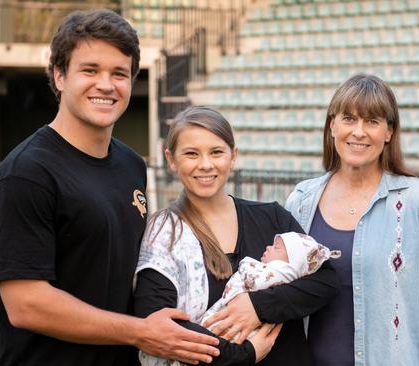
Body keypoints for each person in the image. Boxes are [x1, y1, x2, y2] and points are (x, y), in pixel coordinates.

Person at [0, 9, 222, 366]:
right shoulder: (26, 174)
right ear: (59, 75)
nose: (106, 85)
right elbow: (27, 305)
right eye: (90, 70)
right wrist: (140, 332)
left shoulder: (130, 164)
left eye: (119, 74)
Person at [133, 106, 339, 366]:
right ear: (171, 159)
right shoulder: (165, 234)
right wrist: (246, 354)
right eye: (191, 154)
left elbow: (325, 281)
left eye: (216, 152)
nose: (205, 164)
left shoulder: (272, 217)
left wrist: (256, 307)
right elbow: (159, 323)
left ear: (234, 156)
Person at [285, 73, 419, 366]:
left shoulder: (418, 199)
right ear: (332, 126)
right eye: (349, 119)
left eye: (372, 121)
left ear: (389, 132)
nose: (359, 132)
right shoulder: (301, 201)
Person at [200, 231, 340, 334]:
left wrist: (246, 264)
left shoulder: (279, 273)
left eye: (276, 248)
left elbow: (256, 282)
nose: (268, 247)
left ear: (291, 263)